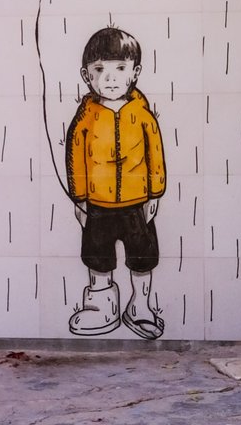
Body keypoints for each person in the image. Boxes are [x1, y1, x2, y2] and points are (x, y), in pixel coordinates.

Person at [65, 27, 166, 339]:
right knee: (98, 257)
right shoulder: (85, 117)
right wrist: (79, 199)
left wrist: (156, 193)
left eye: (119, 69)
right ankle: (100, 307)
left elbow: (155, 155)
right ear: (86, 75)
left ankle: (141, 306)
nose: (109, 79)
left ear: (134, 72)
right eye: (100, 70)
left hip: (137, 205)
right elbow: (75, 157)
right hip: (97, 206)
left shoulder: (144, 115)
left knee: (143, 256)